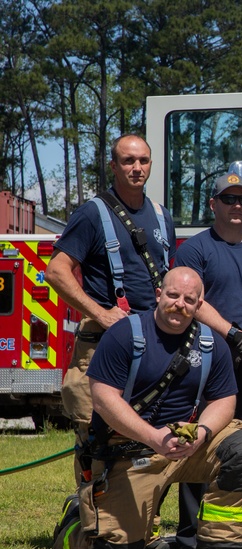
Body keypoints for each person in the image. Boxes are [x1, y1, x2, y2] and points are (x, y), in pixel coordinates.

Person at [51, 268, 242, 549]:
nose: (180, 304)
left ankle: (220, 547)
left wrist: (202, 433)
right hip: (127, 450)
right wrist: (153, 438)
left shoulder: (210, 343)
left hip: (183, 442)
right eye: (173, 295)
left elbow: (224, 400)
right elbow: (104, 399)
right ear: (158, 295)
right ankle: (72, 526)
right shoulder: (124, 335)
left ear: (199, 304)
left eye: (189, 299)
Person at [48, 134, 176, 484]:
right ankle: (92, 524)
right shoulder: (93, 213)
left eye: (143, 161)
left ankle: (136, 529)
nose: (137, 168)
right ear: (113, 166)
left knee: (144, 441)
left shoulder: (163, 216)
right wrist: (102, 313)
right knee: (98, 438)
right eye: (127, 161)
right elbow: (56, 271)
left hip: (151, 345)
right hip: (105, 344)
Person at [173, 173, 242, 549]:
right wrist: (234, 335)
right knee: (198, 443)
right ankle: (190, 536)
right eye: (228, 199)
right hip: (205, 362)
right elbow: (191, 299)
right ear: (213, 204)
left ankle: (235, 531)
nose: (237, 206)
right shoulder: (195, 248)